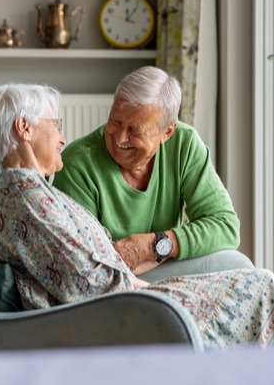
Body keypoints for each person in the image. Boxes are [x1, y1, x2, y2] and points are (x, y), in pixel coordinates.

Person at [0, 83, 274, 350]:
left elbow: (85, 264)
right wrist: (148, 287)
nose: (63, 137)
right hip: (119, 311)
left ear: (166, 132)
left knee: (259, 286)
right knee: (261, 288)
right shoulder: (26, 198)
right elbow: (85, 282)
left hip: (127, 294)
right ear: (25, 128)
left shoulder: (32, 191)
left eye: (135, 129)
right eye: (55, 125)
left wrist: (153, 252)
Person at [55, 66, 240, 275]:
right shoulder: (77, 164)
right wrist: (161, 253)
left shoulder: (184, 144)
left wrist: (154, 246)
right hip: (113, 282)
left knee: (238, 264)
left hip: (166, 268)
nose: (120, 137)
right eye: (115, 120)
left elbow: (226, 226)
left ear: (167, 132)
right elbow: (85, 266)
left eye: (135, 130)